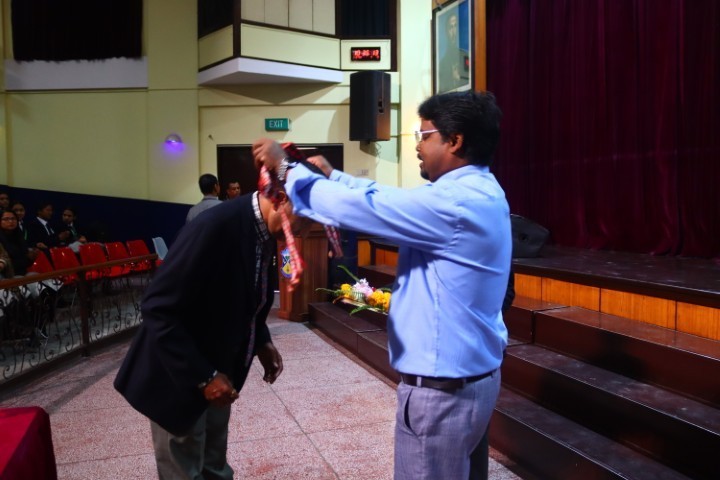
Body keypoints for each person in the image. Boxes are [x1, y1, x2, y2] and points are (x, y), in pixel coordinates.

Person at [253, 90, 511, 480]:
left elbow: (368, 209)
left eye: (423, 135)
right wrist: (335, 177)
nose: (418, 146)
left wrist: (287, 168)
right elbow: (391, 199)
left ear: (455, 140)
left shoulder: (455, 203)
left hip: (442, 393)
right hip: (468, 382)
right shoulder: (475, 191)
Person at [114, 174, 314, 479]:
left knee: (214, 466)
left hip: (218, 368)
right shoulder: (214, 227)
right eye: (305, 221)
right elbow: (157, 308)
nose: (303, 232)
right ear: (282, 199)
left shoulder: (262, 230)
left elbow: (247, 293)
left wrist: (261, 340)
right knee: (184, 470)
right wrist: (203, 376)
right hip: (179, 372)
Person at [0, 210, 38, 276]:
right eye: (6, 219)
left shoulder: (19, 234)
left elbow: (25, 262)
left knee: (37, 276)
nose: (11, 221)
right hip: (6, 276)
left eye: (13, 219)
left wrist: (31, 258)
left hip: (22, 273)